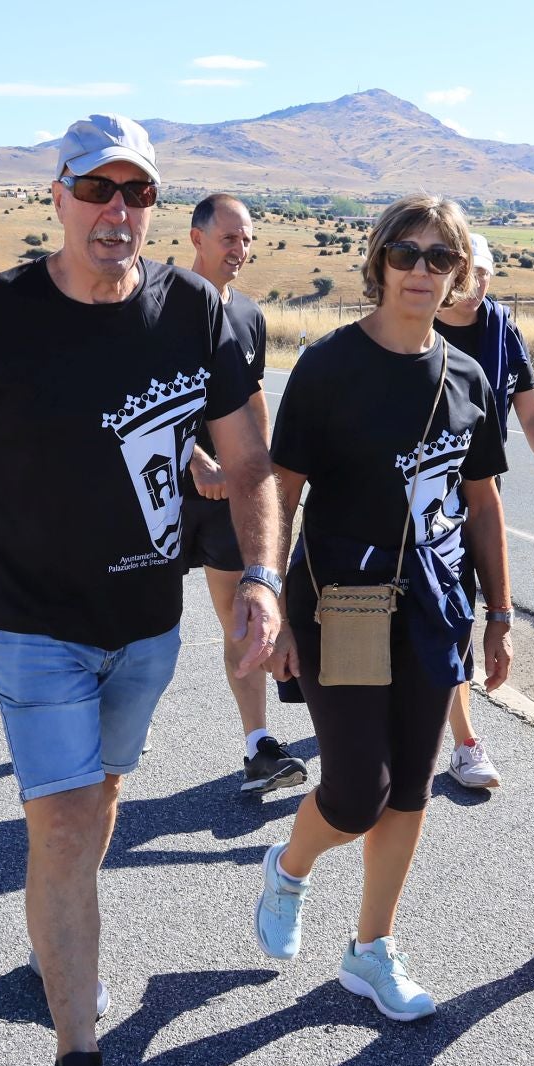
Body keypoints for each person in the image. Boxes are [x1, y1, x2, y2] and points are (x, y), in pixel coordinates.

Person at [0, 113, 280, 1066]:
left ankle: (54, 941)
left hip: (145, 626)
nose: (117, 211)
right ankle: (79, 1063)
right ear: (59, 194)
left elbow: (250, 459)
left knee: (99, 804)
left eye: (137, 193)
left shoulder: (195, 313)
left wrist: (260, 575)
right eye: (97, 189)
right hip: (34, 624)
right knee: (68, 823)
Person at [257, 195, 511, 1022]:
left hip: (436, 612)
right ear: (378, 261)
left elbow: (481, 502)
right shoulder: (331, 367)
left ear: (461, 273)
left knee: (411, 790)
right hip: (346, 605)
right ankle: (290, 866)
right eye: (406, 252)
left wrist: (501, 612)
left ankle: (371, 950)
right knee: (357, 792)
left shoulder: (468, 376)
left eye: (441, 258)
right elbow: (282, 490)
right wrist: (277, 608)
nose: (420, 270)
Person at [431, 231, 534, 790]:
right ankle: (442, 725)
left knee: (454, 616)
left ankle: (462, 740)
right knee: (431, 617)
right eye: (470, 271)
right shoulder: (418, 319)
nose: (478, 284)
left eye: (486, 273)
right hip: (421, 497)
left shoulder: (501, 326)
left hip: (477, 490)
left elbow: (531, 411)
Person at [183, 192, 307, 793]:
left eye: (248, 239)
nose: (241, 249)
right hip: (158, 493)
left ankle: (257, 745)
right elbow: (141, 403)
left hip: (229, 495)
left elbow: (251, 393)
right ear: (196, 238)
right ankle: (99, 723)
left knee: (243, 614)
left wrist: (265, 470)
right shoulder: (161, 305)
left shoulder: (250, 315)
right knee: (134, 628)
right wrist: (195, 457)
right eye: (229, 238)